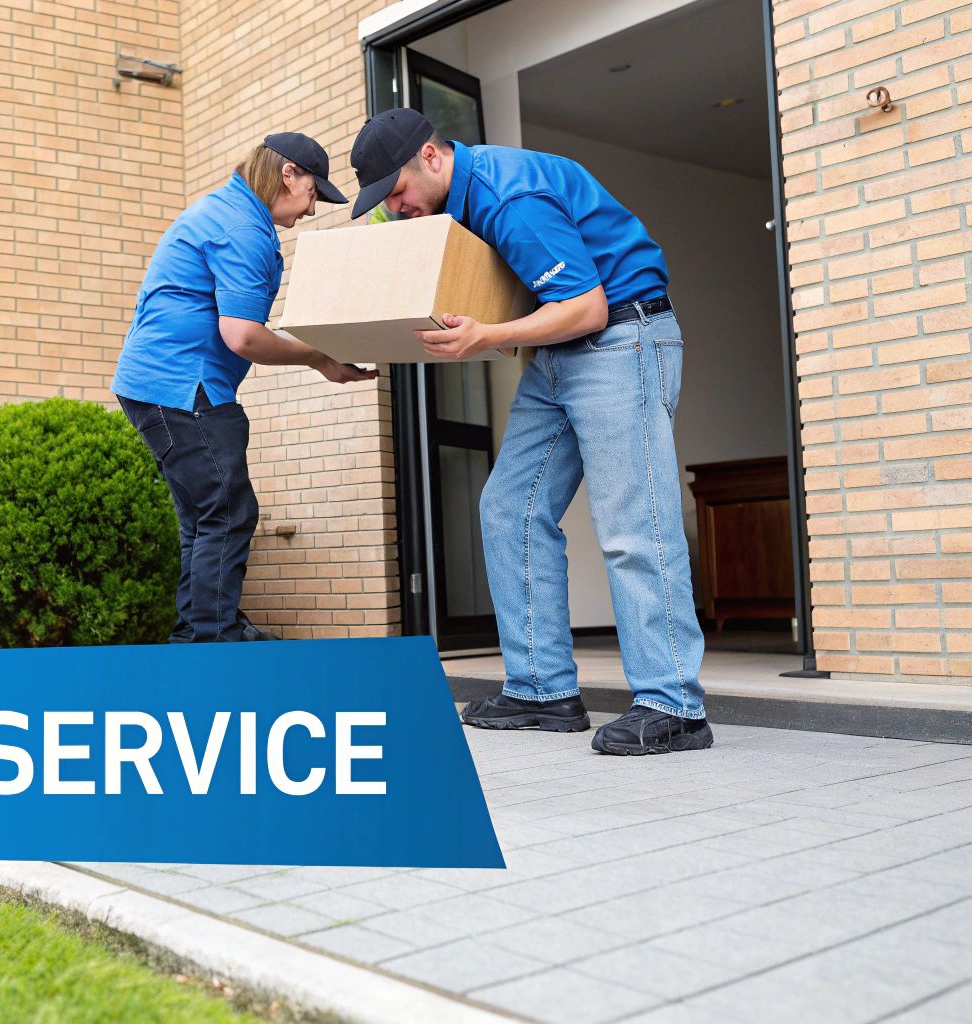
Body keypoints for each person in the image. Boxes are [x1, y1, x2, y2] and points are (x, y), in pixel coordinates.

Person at [348, 108, 711, 755]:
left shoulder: (508, 195)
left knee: (633, 521)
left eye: (396, 190)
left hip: (619, 338)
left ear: (431, 156)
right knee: (509, 507)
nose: (395, 206)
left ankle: (673, 704)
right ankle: (541, 691)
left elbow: (586, 306)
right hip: (560, 355)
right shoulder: (451, 201)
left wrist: (488, 336)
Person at [112, 132, 380, 643]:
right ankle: (216, 640)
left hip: (157, 383)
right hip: (183, 385)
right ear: (288, 174)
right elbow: (243, 336)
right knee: (229, 510)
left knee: (205, 517)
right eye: (313, 193)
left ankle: (198, 634)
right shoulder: (243, 228)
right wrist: (320, 356)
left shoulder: (223, 210)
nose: (312, 208)